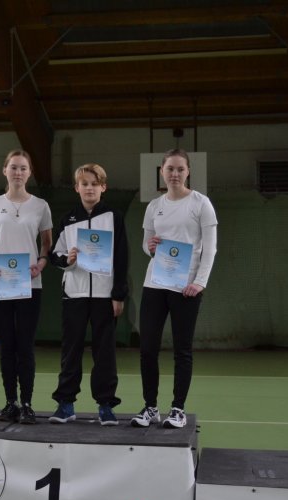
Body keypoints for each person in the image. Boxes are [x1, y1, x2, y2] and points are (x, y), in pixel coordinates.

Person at [131, 148, 218, 429]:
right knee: (148, 348)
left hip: (186, 289)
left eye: (180, 169)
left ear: (188, 171)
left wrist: (199, 282)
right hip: (155, 284)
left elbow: (210, 248)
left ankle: (177, 409)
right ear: (162, 172)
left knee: (182, 350)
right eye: (170, 169)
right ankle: (150, 407)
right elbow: (147, 245)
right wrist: (150, 246)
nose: (175, 174)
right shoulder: (154, 206)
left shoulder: (201, 203)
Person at [47, 164, 128, 426]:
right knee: (71, 350)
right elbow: (55, 255)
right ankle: (66, 404)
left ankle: (106, 405)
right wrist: (67, 260)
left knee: (105, 352)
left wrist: (118, 294)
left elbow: (122, 257)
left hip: (105, 297)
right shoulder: (68, 220)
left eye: (94, 184)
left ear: (103, 187)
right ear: (77, 188)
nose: (89, 188)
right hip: (75, 294)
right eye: (84, 184)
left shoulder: (114, 217)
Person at [0, 149, 53, 424]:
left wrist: (41, 262)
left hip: (30, 283)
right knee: (7, 344)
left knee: (25, 345)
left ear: (29, 172)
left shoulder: (41, 206)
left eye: (23, 168)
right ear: (5, 170)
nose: (18, 172)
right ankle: (11, 402)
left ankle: (28, 403)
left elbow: (47, 243)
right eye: (13, 167)